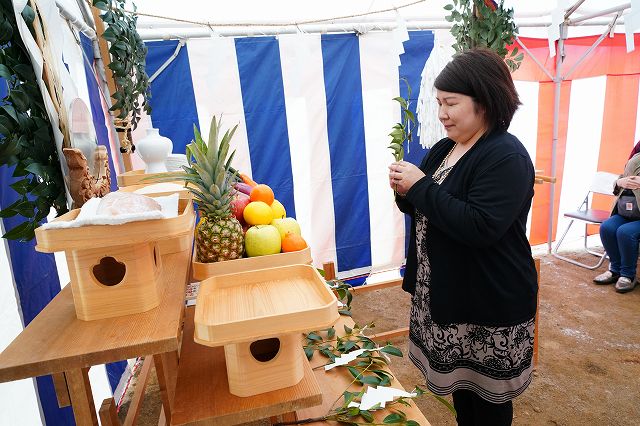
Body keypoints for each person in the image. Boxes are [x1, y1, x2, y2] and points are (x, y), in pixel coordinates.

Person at [388, 48, 537, 426]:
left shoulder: (506, 156)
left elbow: (480, 226)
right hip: (449, 296)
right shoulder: (446, 148)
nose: (442, 114)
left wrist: (419, 188)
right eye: (439, 103)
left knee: (487, 405)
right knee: (464, 398)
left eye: (450, 103)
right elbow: (430, 207)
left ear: (484, 100)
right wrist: (405, 191)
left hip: (486, 303)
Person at [592, 146, 640, 293]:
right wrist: (620, 182)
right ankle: (615, 270)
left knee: (625, 232)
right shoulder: (637, 150)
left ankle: (628, 275)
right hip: (628, 211)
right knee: (607, 228)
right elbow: (622, 176)